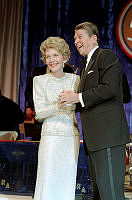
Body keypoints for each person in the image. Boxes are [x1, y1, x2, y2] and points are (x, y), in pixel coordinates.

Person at [59, 22, 130, 200]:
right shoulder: (85, 65)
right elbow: (87, 100)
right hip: (95, 141)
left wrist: (77, 97)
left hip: (107, 138)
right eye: (74, 38)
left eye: (80, 36)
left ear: (94, 38)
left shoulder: (106, 56)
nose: (76, 41)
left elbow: (110, 89)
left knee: (111, 195)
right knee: (99, 195)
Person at [33, 36, 80, 200]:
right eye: (48, 56)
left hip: (70, 136)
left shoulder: (75, 79)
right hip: (50, 137)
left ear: (65, 57)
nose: (51, 60)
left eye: (56, 55)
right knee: (48, 179)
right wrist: (59, 104)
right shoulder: (39, 81)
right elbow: (39, 114)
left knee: (67, 180)